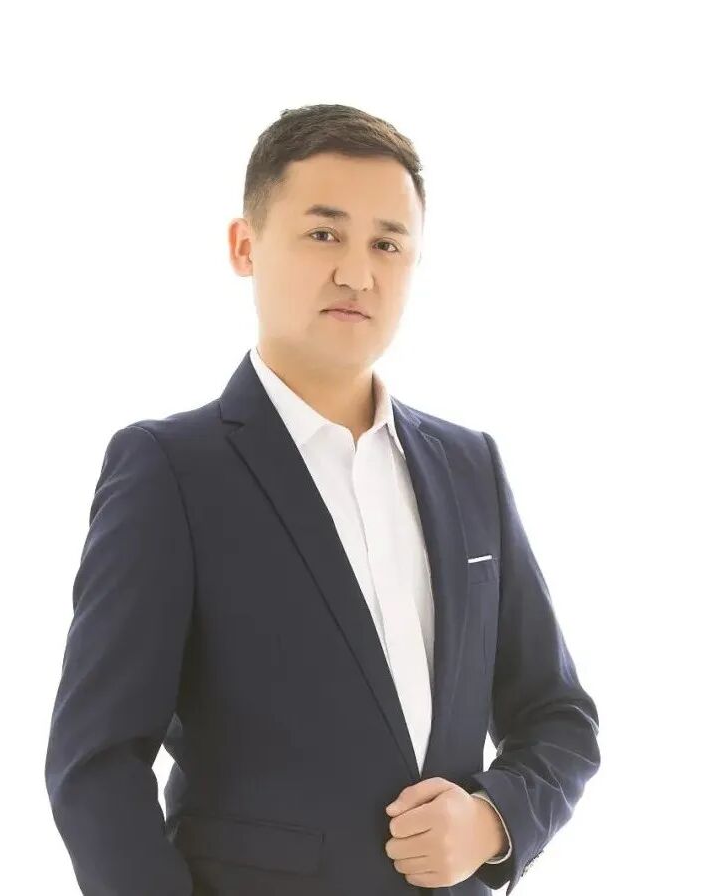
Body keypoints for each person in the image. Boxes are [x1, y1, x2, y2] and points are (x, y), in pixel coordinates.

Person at [44, 103, 600, 895]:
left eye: (387, 244)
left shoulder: (469, 465)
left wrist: (493, 820)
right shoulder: (170, 469)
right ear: (245, 246)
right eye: (323, 234)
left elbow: (557, 714)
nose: (358, 274)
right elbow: (95, 764)